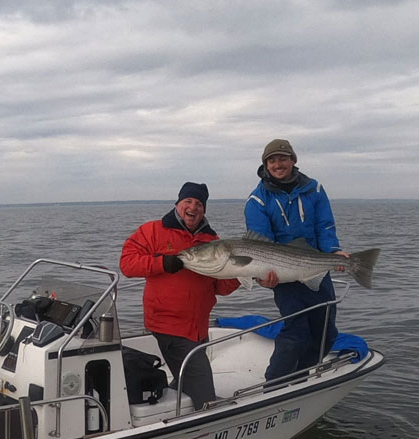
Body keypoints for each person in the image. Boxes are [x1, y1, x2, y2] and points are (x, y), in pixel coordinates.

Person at [120, 182, 240, 409]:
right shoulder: (152, 231)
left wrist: (245, 274)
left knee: (190, 376)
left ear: (204, 209)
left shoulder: (212, 240)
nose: (193, 207)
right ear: (178, 203)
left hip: (198, 328)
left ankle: (170, 404)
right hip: (168, 326)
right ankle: (206, 430)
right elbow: (127, 264)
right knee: (205, 396)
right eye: (188, 201)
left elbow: (221, 287)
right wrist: (162, 262)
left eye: (199, 204)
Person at [244, 139, 349, 383]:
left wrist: (333, 251)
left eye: (283, 158)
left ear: (293, 160)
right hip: (284, 275)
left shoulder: (314, 189)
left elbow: (324, 225)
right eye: (272, 160)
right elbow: (261, 246)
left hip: (314, 268)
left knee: (326, 332)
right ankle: (275, 385)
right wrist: (263, 276)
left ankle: (300, 378)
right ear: (265, 164)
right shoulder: (257, 200)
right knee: (296, 331)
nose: (278, 164)